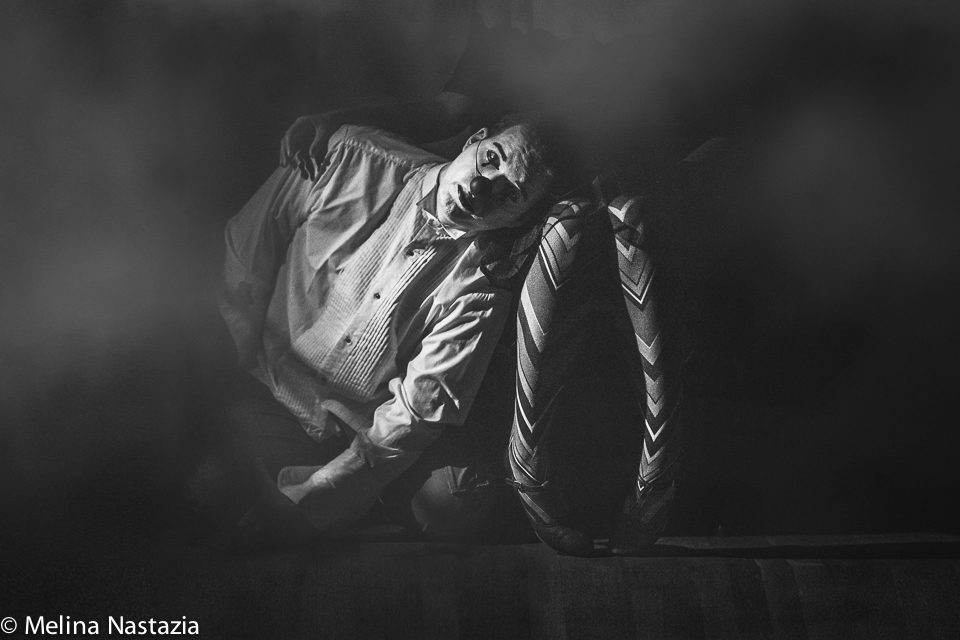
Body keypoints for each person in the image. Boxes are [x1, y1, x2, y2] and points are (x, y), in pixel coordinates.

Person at [199, 114, 563, 543]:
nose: (482, 190)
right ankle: (327, 497)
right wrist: (227, 380)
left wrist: (315, 499)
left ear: (518, 220)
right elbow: (243, 259)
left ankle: (343, 499)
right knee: (206, 483)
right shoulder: (348, 158)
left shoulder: (483, 286)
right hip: (268, 393)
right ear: (475, 141)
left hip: (364, 428)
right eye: (491, 159)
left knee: (458, 497)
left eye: (512, 193)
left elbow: (416, 414)